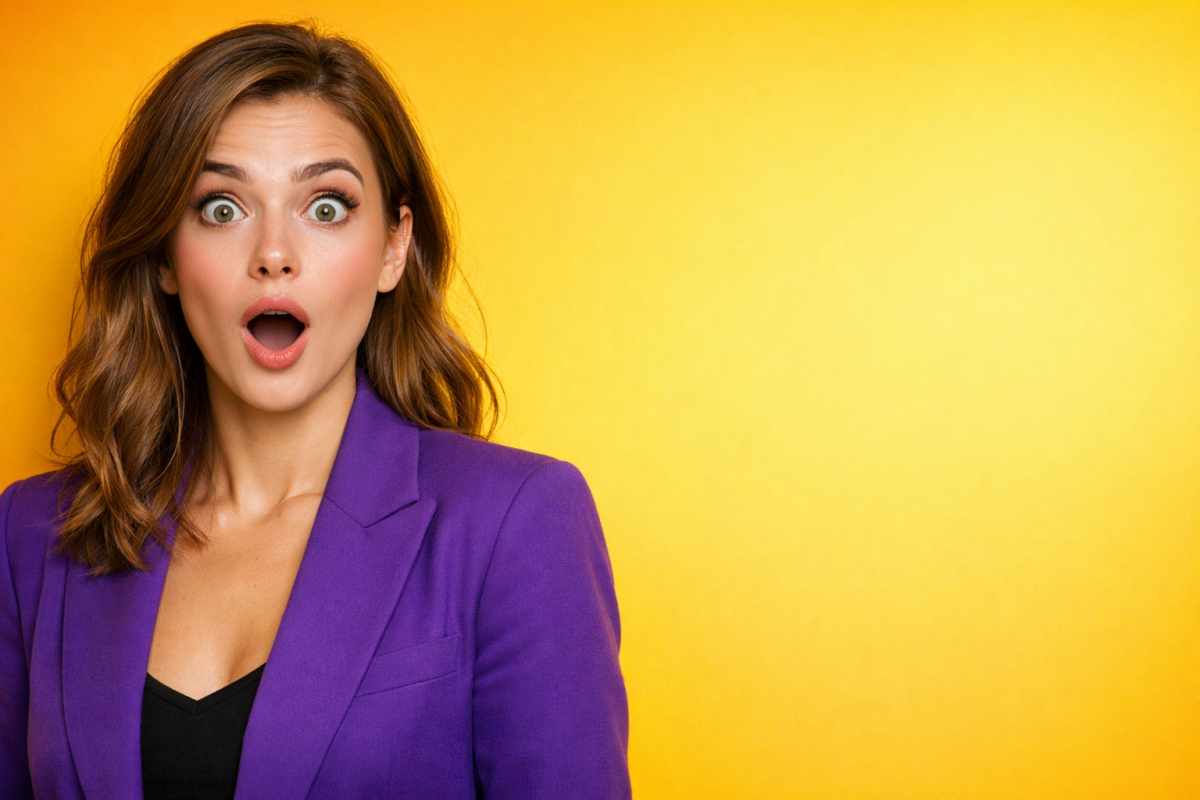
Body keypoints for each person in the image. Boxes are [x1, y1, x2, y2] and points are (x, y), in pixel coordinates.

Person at [0, 21, 630, 800]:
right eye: (221, 208)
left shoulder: (514, 523)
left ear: (394, 248)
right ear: (164, 253)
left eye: (325, 207)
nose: (274, 252)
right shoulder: (31, 538)